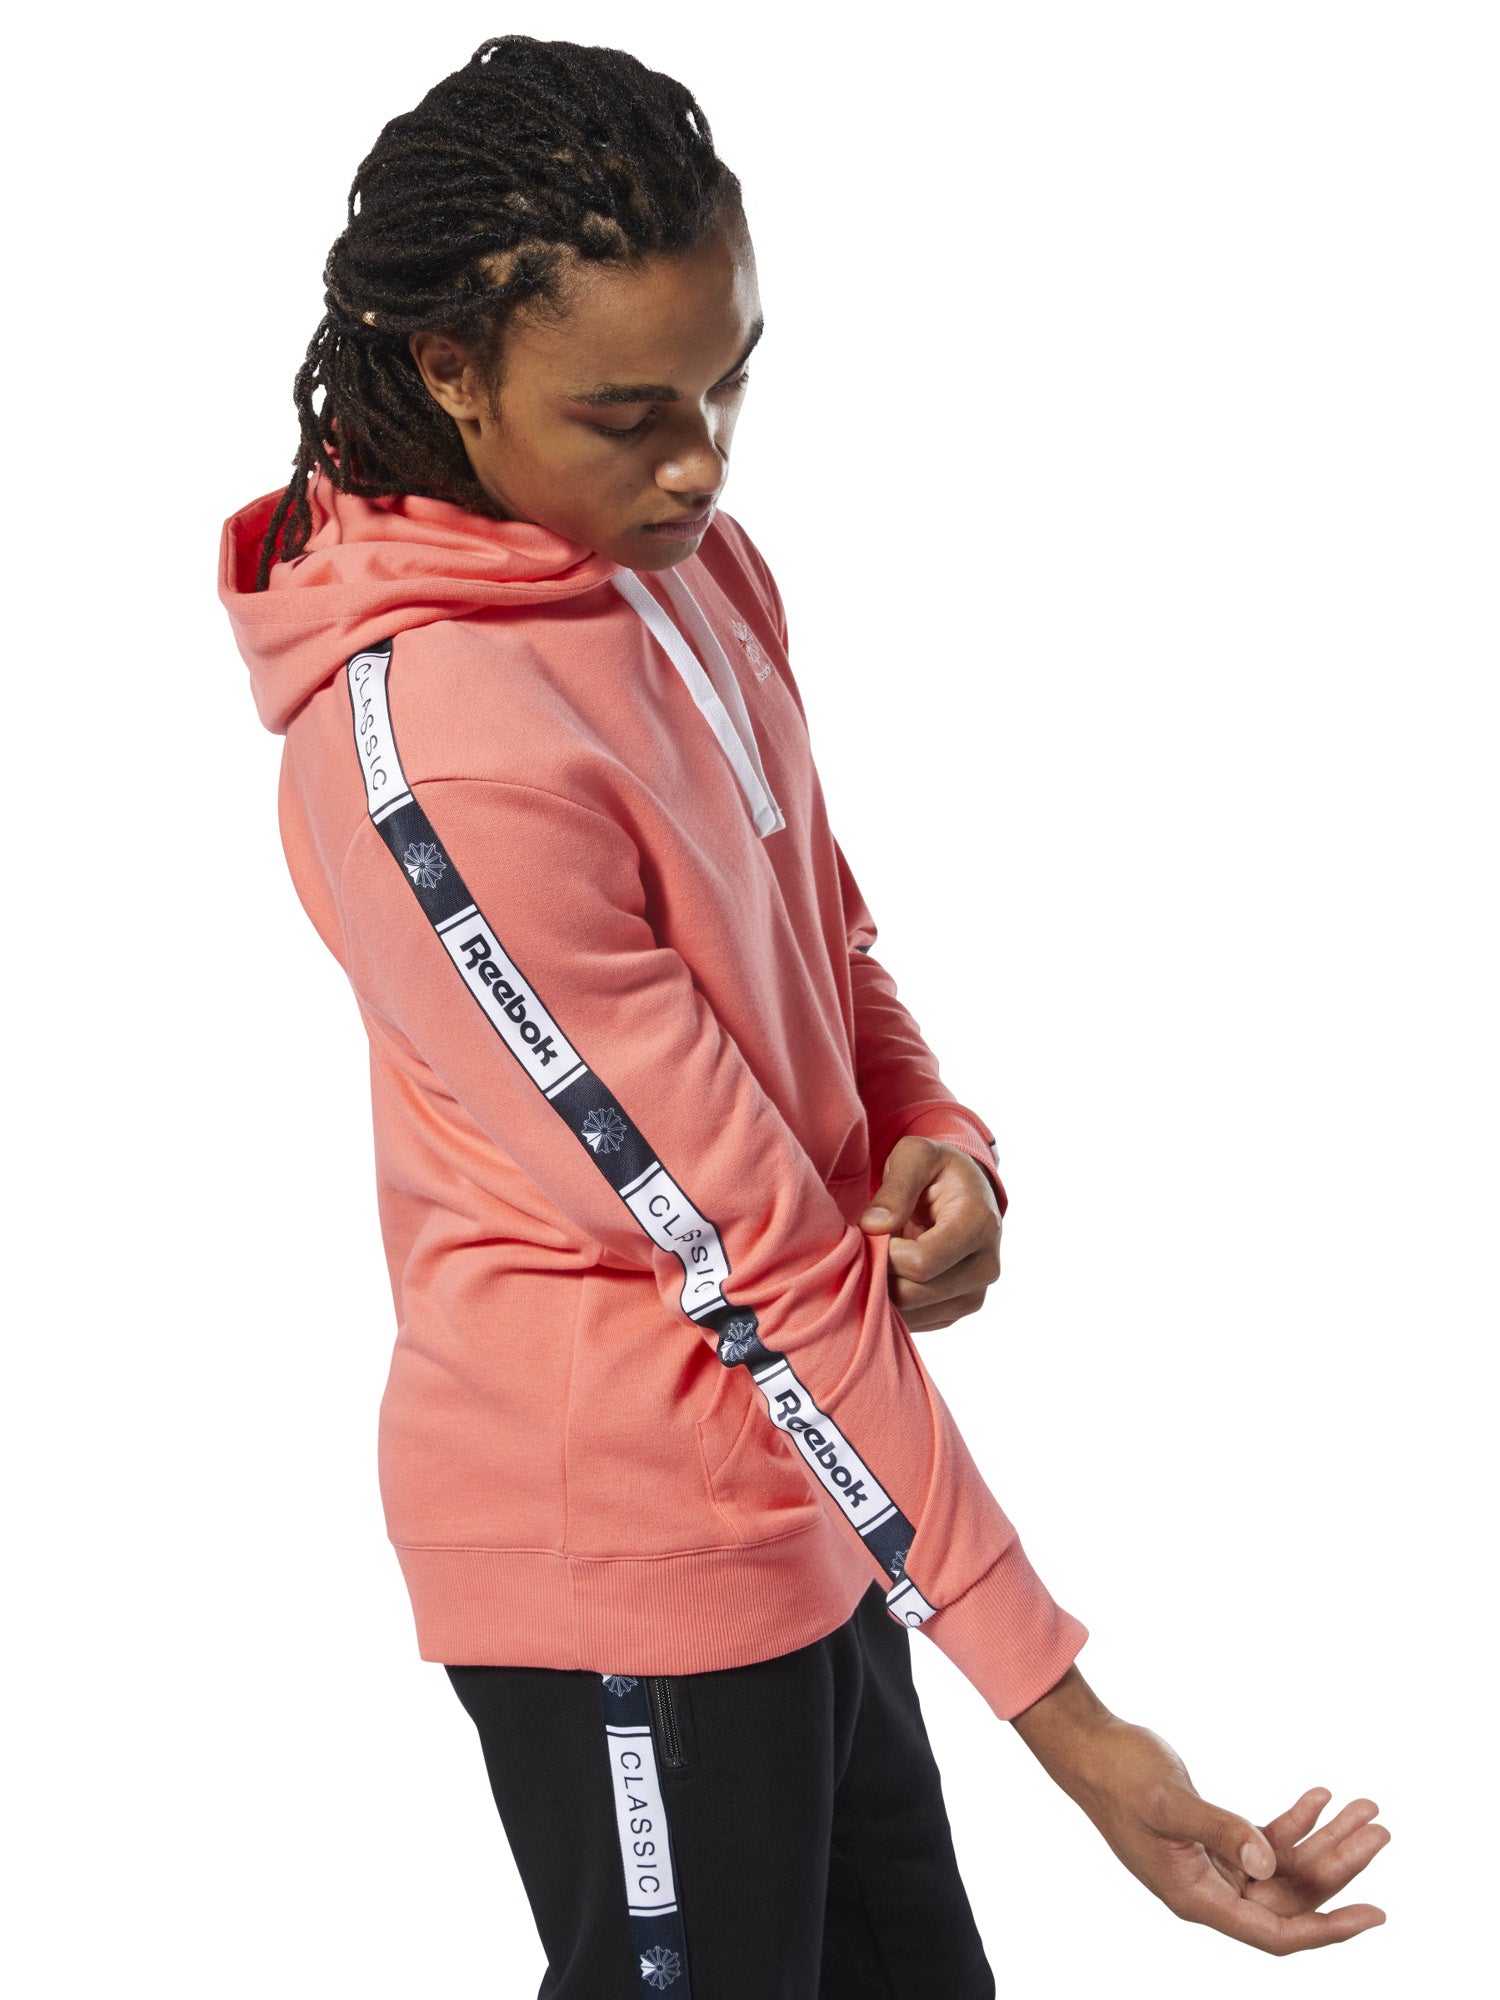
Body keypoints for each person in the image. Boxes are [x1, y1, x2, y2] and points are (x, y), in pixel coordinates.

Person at [217, 34, 1388, 1997]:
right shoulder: (448, 758)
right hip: (624, 1561)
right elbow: (743, 1254)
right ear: (451, 369)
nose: (699, 461)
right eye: (627, 413)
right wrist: (1077, 1731)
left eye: (726, 383)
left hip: (811, 1499)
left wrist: (938, 1134)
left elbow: (815, 926)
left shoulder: (681, 570)